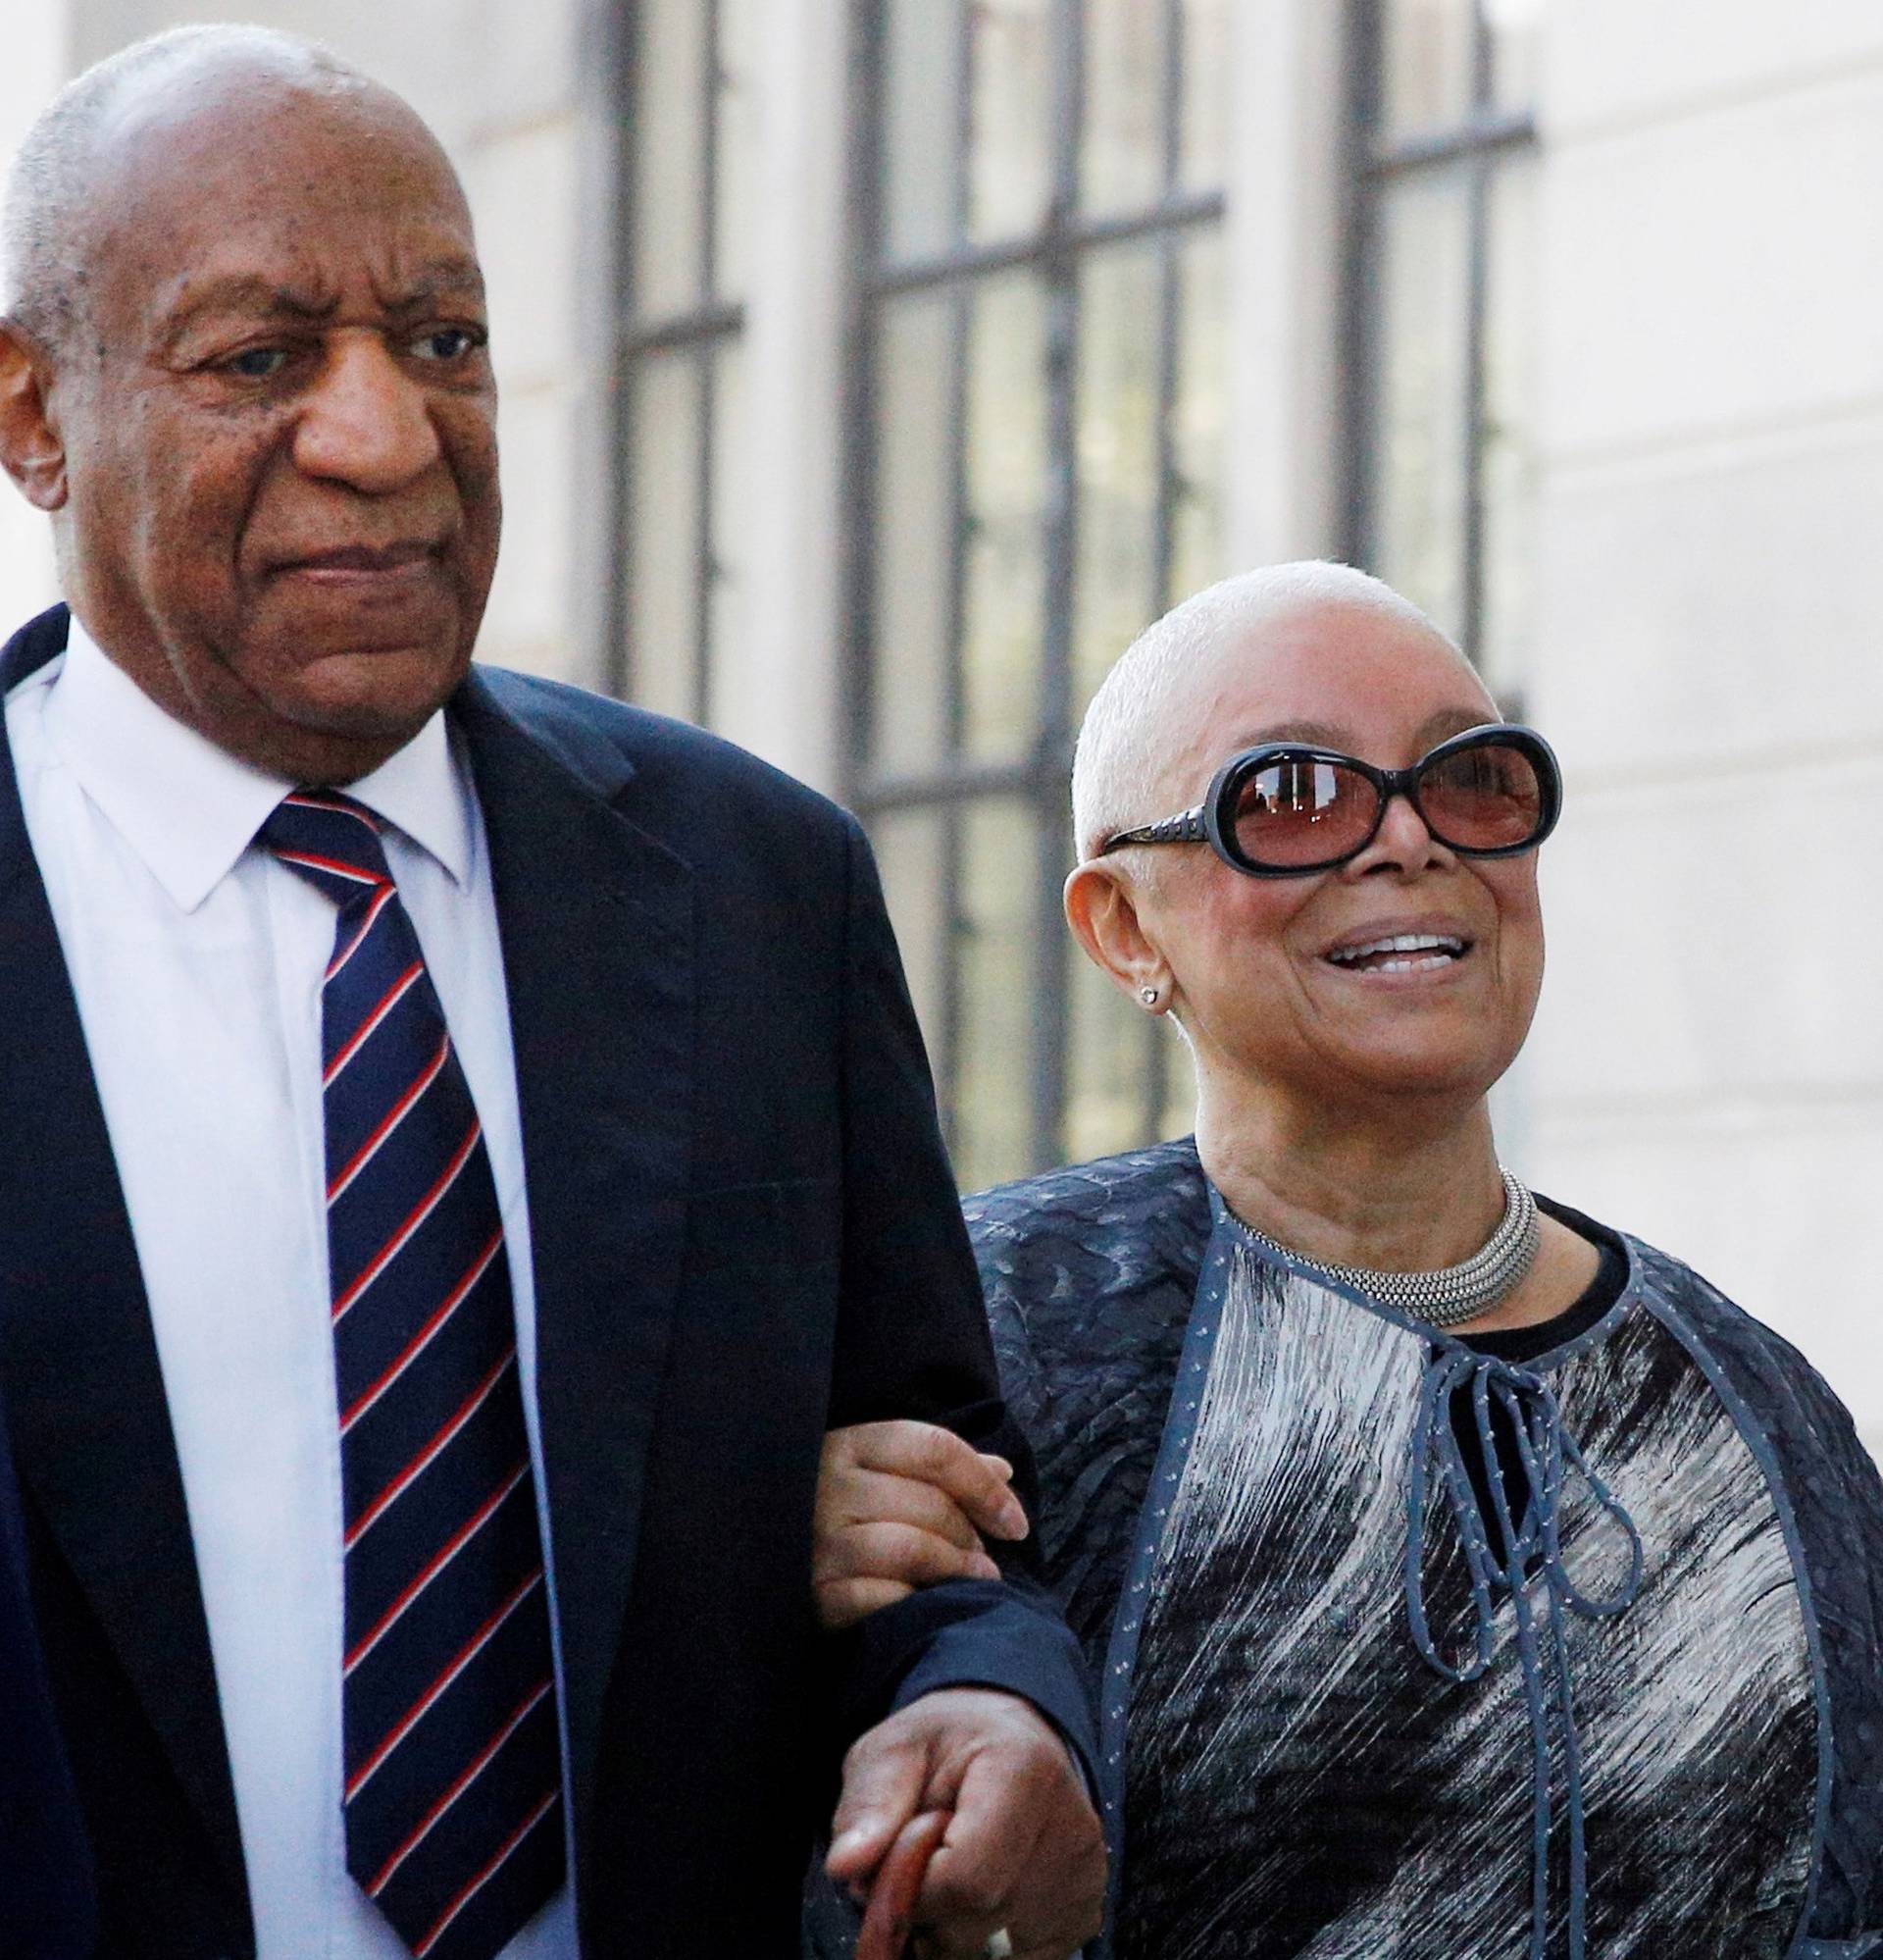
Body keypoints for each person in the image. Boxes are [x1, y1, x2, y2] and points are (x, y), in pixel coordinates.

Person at [0, 26, 1103, 1960]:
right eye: (262, 360)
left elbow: (942, 1496)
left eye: (443, 343)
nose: (388, 437)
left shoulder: (759, 885)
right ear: (33, 415)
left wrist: (982, 1697)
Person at [810, 563, 1883, 1959]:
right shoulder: (984, 1343)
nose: (1408, 841)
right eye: (1293, 797)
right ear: (1124, 928)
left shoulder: (1756, 1405)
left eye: (1473, 781)